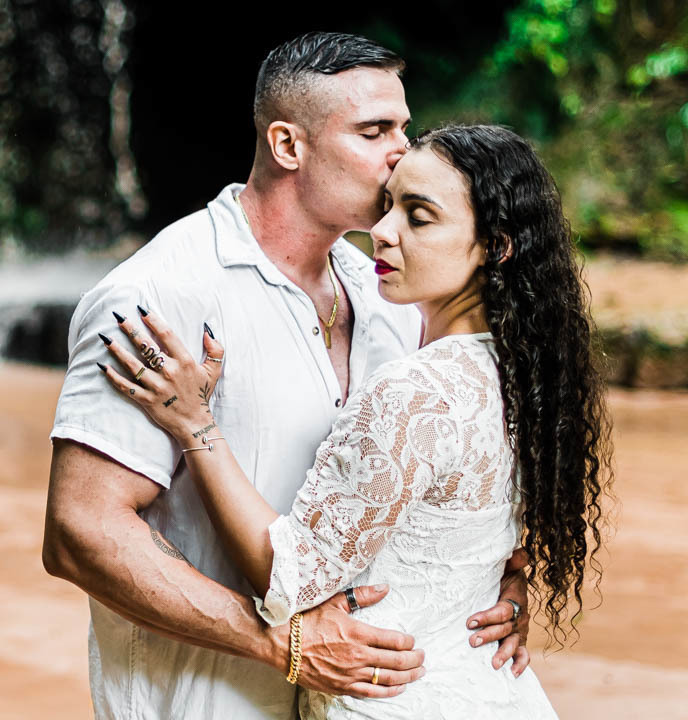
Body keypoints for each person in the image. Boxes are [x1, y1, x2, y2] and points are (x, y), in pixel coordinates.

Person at [43, 33, 531, 720]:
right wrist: (279, 643)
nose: (402, 151)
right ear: (287, 146)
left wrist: (492, 584)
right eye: (375, 131)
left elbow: (430, 488)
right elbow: (80, 533)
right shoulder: (158, 296)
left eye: (404, 127)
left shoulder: (392, 294)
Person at [97, 123, 613, 718]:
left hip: (391, 700)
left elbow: (289, 577)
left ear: (495, 248)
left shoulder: (415, 390)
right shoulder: (528, 376)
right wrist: (507, 584)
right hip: (493, 691)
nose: (383, 232)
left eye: (419, 217)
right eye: (389, 206)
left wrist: (195, 424)